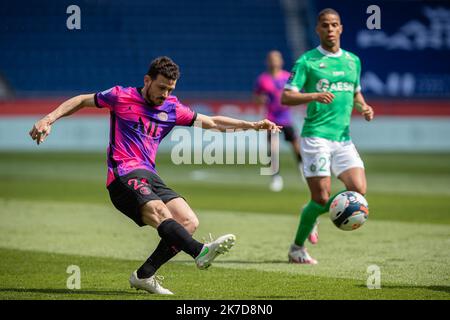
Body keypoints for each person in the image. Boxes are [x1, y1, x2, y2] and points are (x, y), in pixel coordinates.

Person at [29, 56, 280, 294]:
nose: (165, 94)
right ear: (147, 80)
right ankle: (200, 252)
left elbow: (213, 123)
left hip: (150, 175)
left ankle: (144, 275)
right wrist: (48, 119)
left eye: (170, 89)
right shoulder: (120, 96)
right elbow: (83, 100)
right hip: (123, 175)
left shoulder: (171, 108)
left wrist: (253, 125)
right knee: (161, 213)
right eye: (161, 88)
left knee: (188, 221)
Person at [281, 9, 374, 264]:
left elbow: (355, 93)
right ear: (318, 30)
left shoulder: (352, 61)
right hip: (315, 137)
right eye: (325, 25)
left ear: (341, 28)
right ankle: (297, 249)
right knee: (322, 197)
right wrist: (313, 95)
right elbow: (286, 96)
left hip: (343, 139)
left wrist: (363, 107)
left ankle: (311, 212)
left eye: (334, 25)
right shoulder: (307, 61)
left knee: (359, 190)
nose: (330, 29)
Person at [254, 50, 304, 192]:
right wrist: (260, 99)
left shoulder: (288, 77)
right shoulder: (262, 79)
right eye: (271, 59)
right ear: (267, 61)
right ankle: (275, 177)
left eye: (276, 59)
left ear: (281, 61)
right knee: (273, 149)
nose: (274, 61)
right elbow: (256, 96)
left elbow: (296, 93)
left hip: (286, 118)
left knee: (295, 145)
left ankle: (302, 169)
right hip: (270, 119)